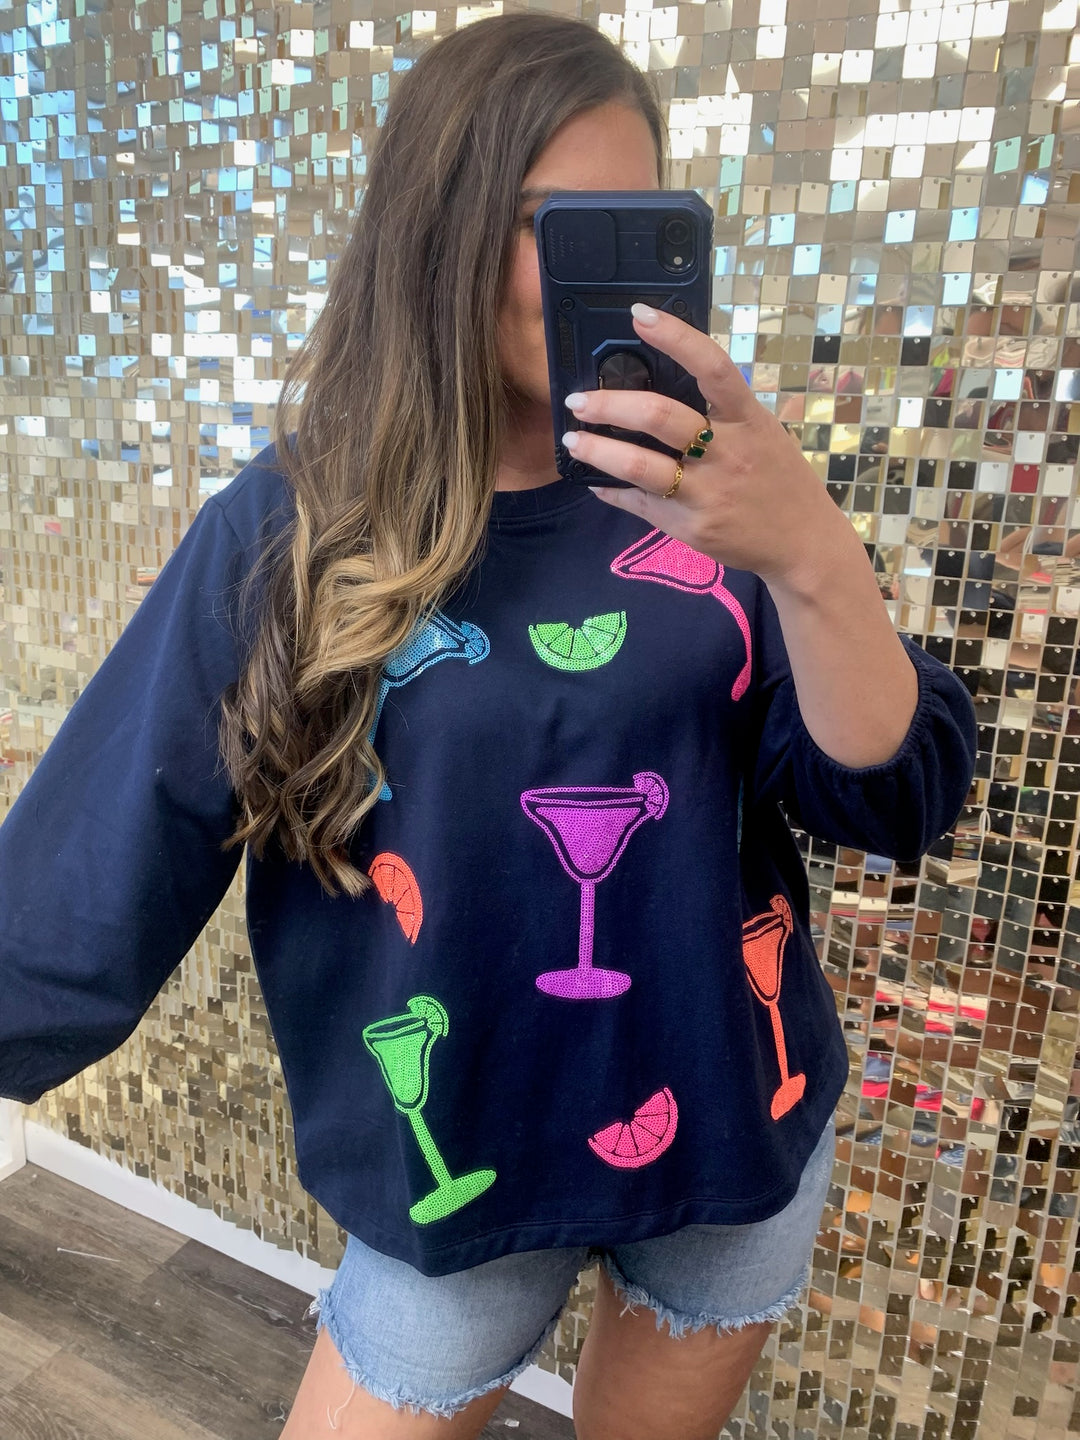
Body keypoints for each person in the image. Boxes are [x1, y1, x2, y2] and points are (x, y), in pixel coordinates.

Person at [0, 14, 977, 1440]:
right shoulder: (293, 530)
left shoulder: (727, 504)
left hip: (732, 1128)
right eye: (547, 224)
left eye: (633, 224)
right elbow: (94, 871)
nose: (596, 272)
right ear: (439, 232)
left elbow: (888, 800)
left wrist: (817, 557)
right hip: (457, 1160)